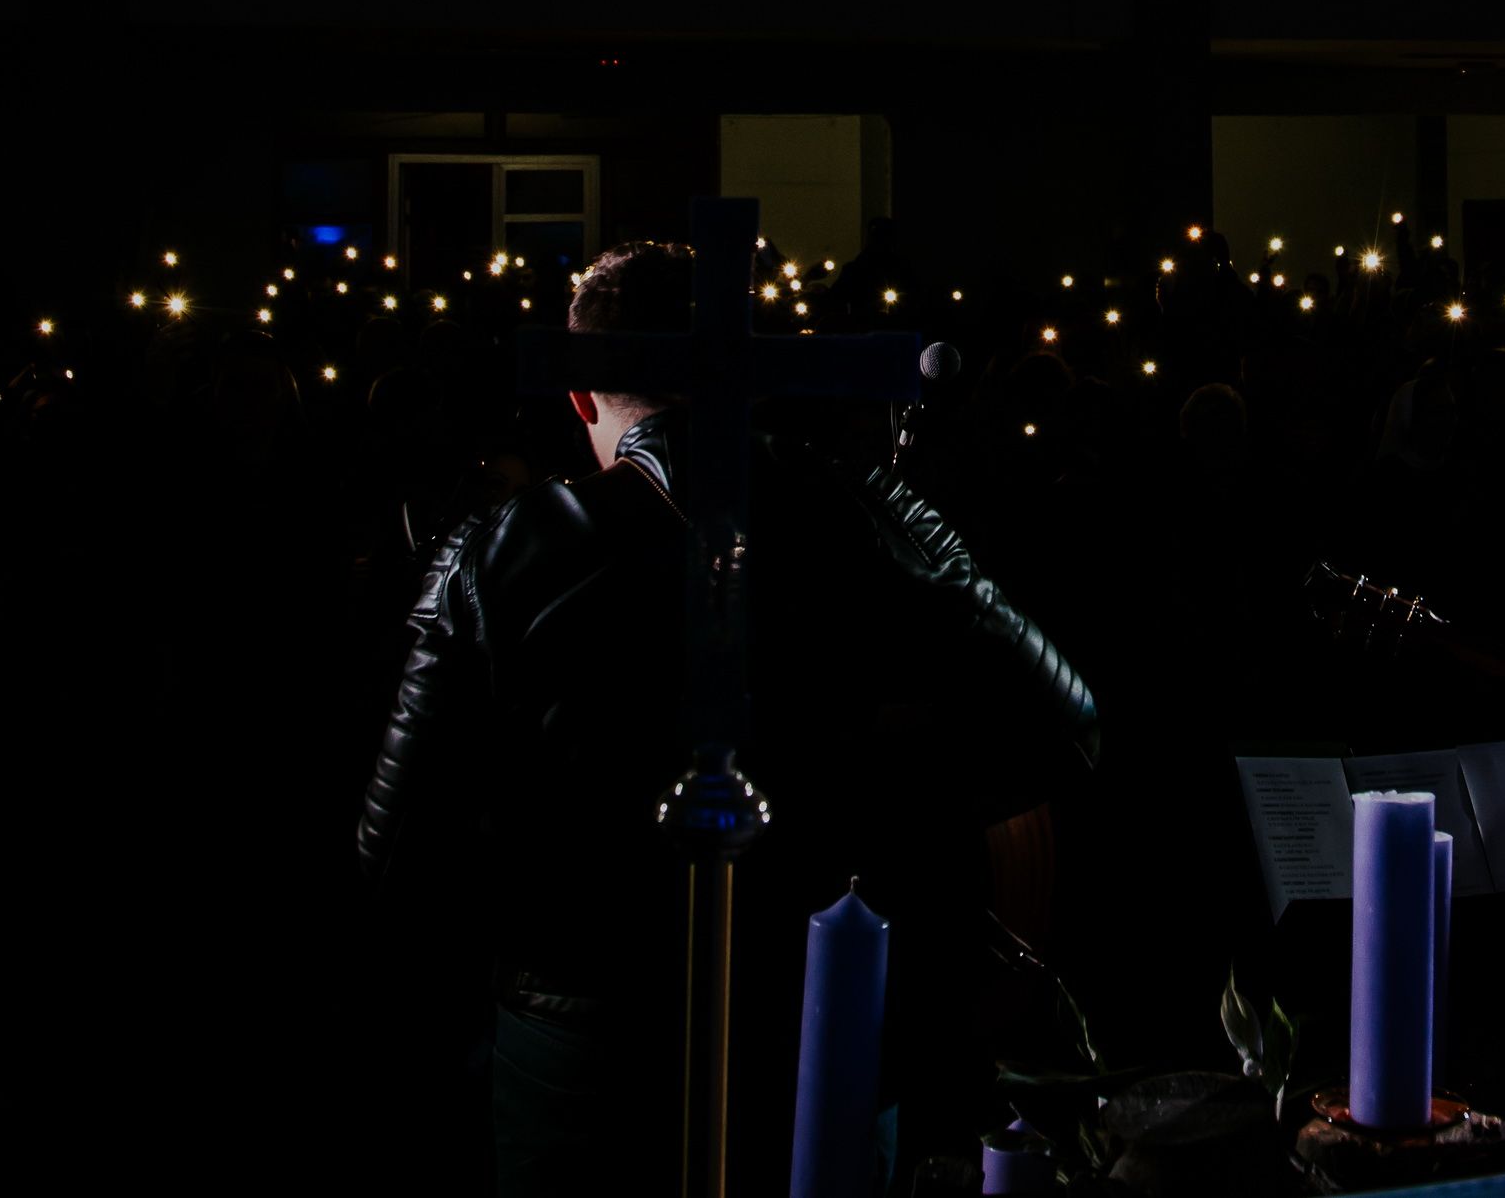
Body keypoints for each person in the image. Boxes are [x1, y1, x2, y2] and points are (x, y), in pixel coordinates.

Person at [359, 240, 1100, 1196]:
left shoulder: (499, 552)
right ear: (756, 371)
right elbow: (1064, 726)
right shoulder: (856, 512)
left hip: (582, 1053)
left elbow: (395, 853)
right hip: (816, 1026)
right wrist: (874, 786)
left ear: (580, 396)